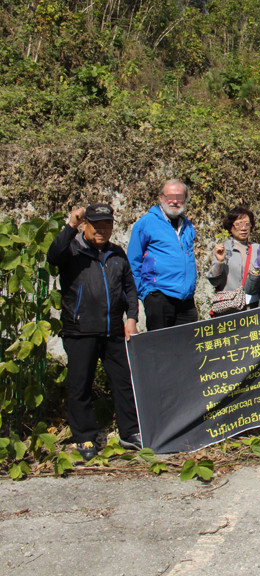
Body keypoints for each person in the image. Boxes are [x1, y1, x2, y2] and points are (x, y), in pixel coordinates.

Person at [47, 204, 141, 460]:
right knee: (80, 386)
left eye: (106, 225)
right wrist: (70, 225)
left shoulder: (116, 253)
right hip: (80, 331)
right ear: (85, 225)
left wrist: (131, 318)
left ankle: (130, 433)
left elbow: (130, 289)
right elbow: (53, 257)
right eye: (96, 224)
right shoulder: (72, 250)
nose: (102, 230)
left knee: (123, 383)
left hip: (112, 331)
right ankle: (86, 438)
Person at [128, 179, 198, 330]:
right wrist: (146, 293)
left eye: (179, 197)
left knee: (188, 348)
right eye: (169, 197)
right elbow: (133, 261)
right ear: (161, 198)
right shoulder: (146, 223)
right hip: (159, 297)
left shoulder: (187, 225)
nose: (174, 202)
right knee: (161, 349)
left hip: (186, 300)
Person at [207, 206, 260, 308]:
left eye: (247, 224)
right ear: (230, 226)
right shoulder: (223, 249)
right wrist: (219, 262)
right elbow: (215, 282)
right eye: (238, 224)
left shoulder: (258, 249)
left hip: (253, 306)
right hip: (230, 308)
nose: (243, 228)